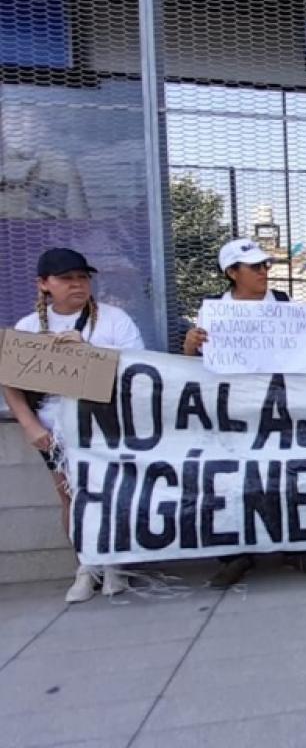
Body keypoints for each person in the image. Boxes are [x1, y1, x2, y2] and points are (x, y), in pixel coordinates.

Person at [182, 237, 306, 588]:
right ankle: (235, 555)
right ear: (232, 273)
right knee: (232, 480)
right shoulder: (214, 311)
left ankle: (295, 548)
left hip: (278, 406)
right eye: (256, 267)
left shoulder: (283, 304)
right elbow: (193, 365)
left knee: (288, 475)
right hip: (232, 410)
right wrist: (190, 347)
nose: (265, 272)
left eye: (266, 266)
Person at [2, 248, 144, 602]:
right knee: (70, 496)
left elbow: (139, 371)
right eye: (67, 278)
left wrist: (87, 353)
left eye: (82, 277)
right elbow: (11, 382)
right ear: (44, 284)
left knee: (112, 493)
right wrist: (30, 426)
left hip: (108, 422)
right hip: (55, 425)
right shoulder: (29, 327)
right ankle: (86, 565)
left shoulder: (113, 320)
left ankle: (115, 564)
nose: (77, 285)